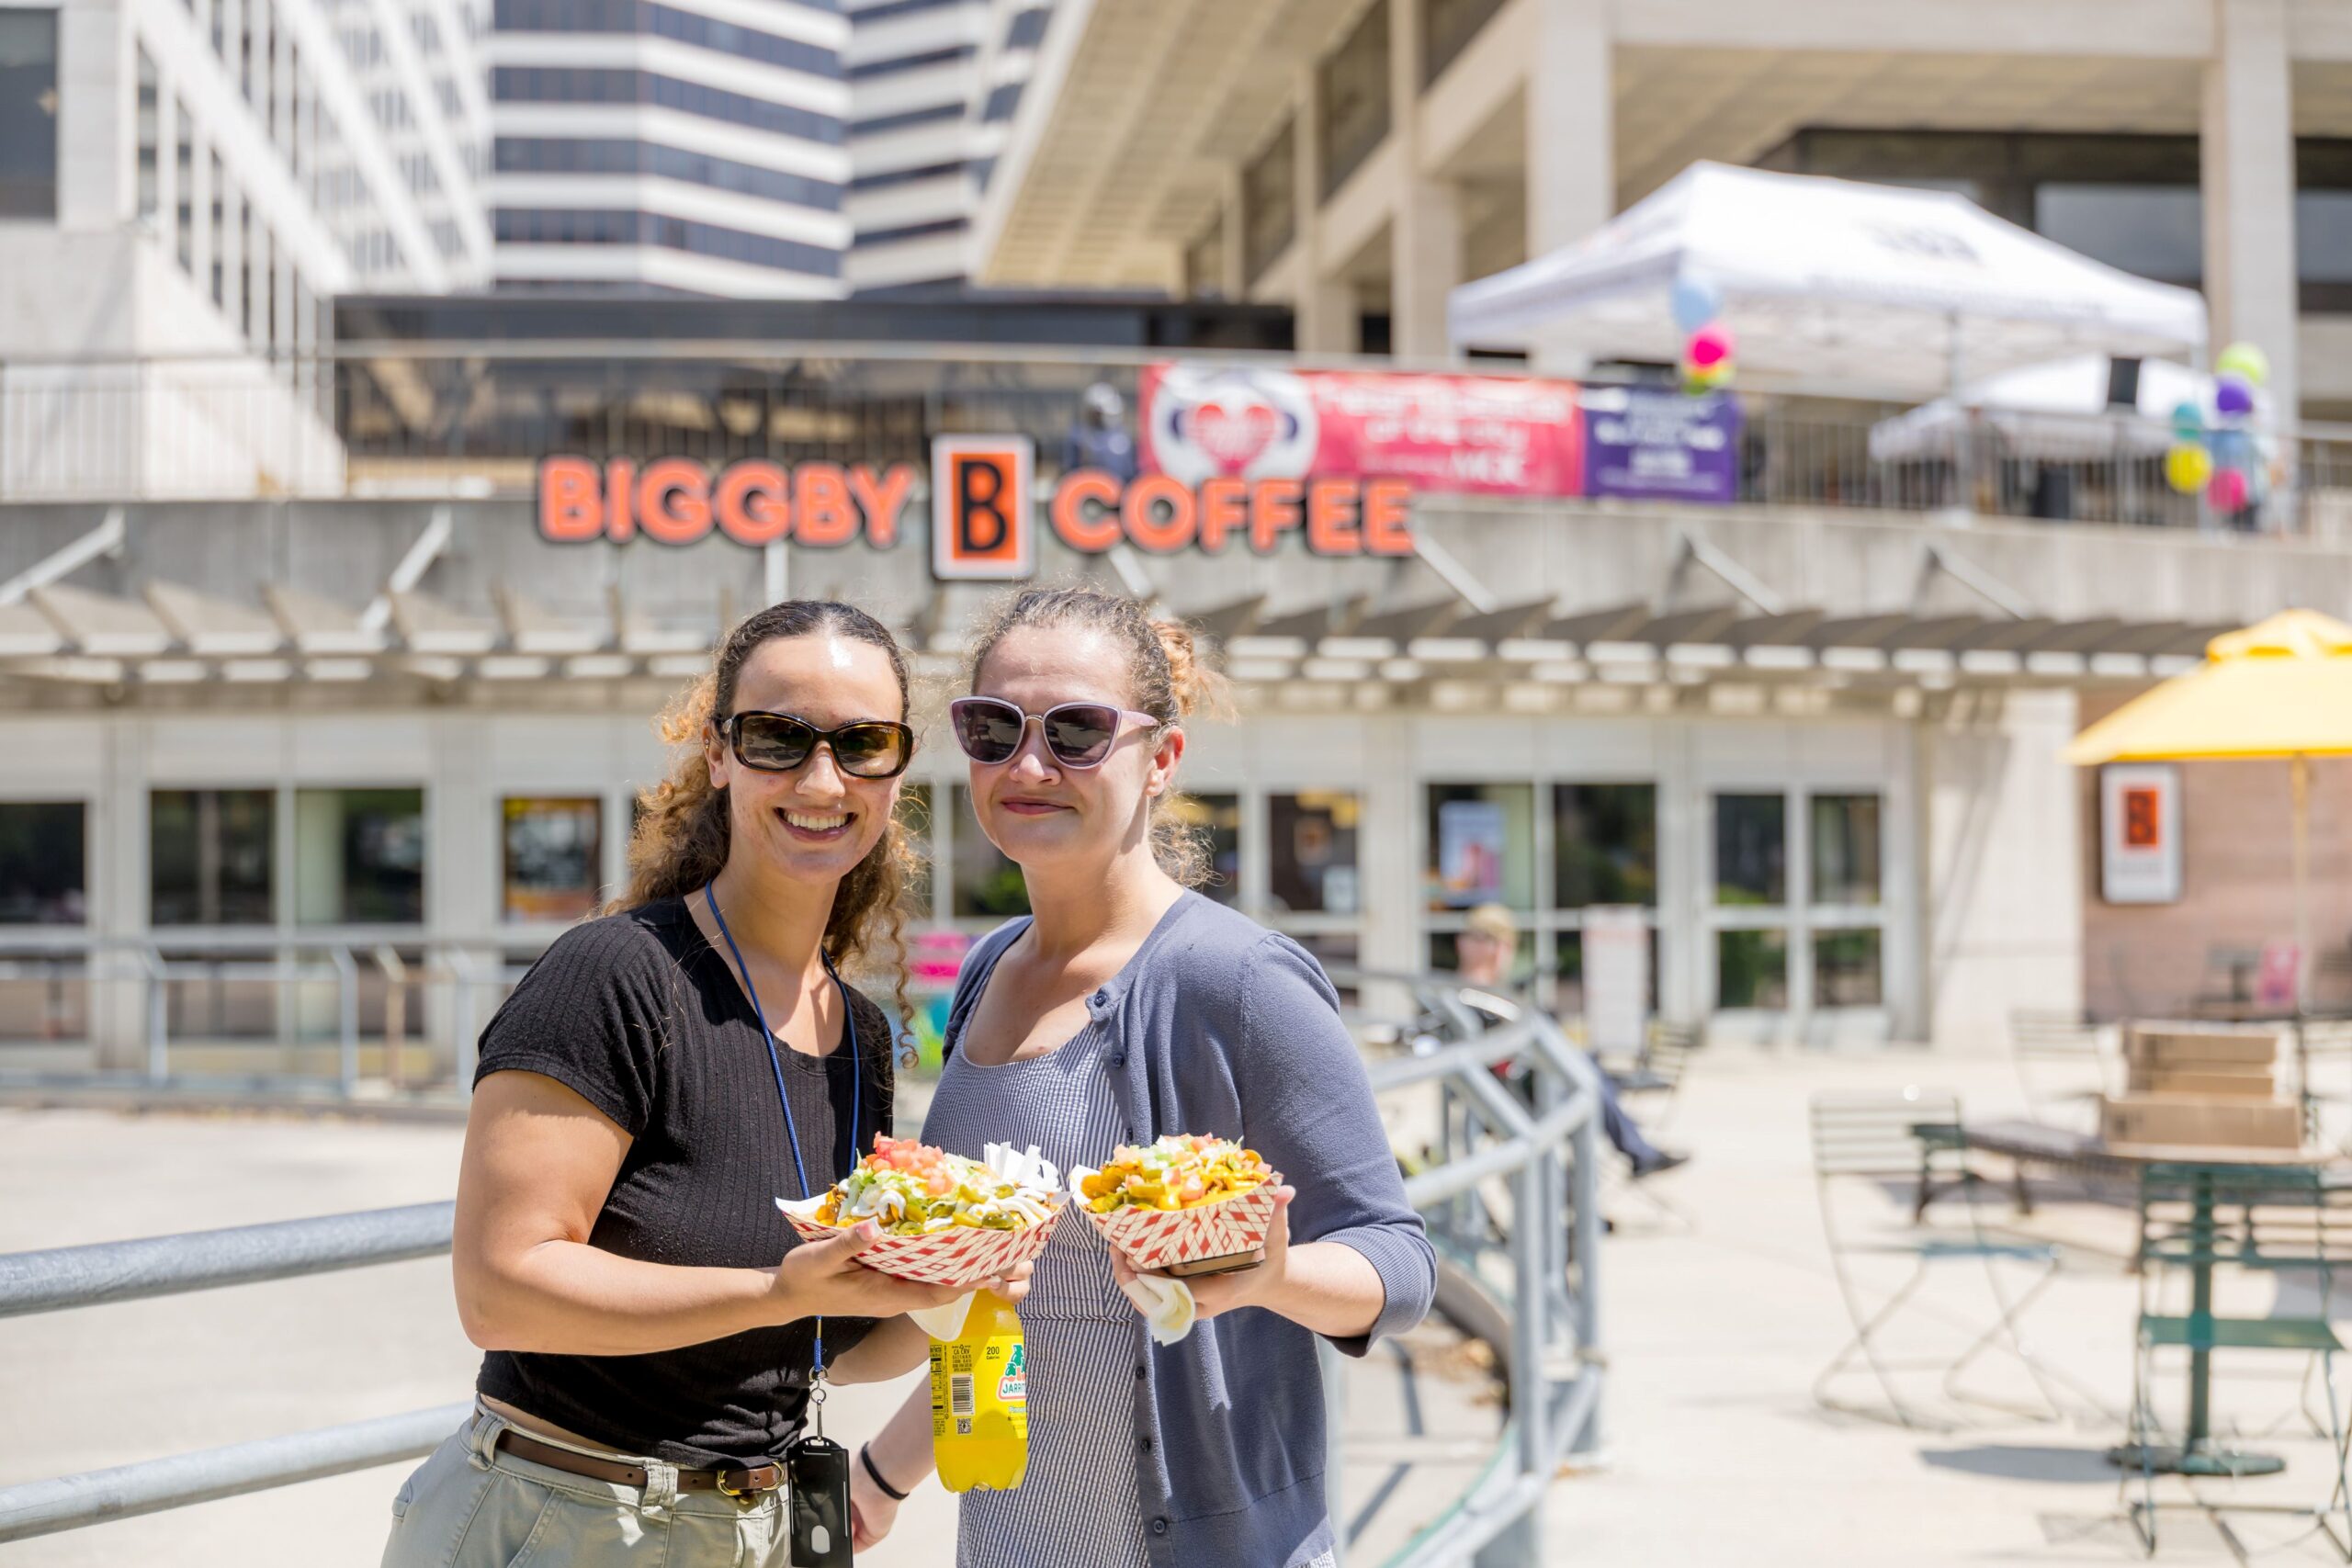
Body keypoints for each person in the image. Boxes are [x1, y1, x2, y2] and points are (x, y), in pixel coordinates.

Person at [383, 601, 1028, 1568]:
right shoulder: (615, 975)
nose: (822, 779)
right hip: (570, 1516)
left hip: (756, 1531)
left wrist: (954, 1294)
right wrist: (773, 1290)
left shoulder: (853, 1032)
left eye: (863, 744)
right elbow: (500, 1289)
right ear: (718, 753)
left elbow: (835, 1345)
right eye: (778, 737)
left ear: (897, 771)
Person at [850, 585, 1435, 1568]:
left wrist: (1273, 1276)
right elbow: (1023, 1308)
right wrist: (885, 1472)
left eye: (1076, 731)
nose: (1027, 765)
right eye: (993, 728)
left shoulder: (1235, 980)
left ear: (1160, 759)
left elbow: (1399, 1262)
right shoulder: (994, 967)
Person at [1454, 903, 1690, 1179]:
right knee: (1590, 1080)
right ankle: (1633, 1149)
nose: (1505, 952)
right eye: (1497, 943)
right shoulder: (1469, 994)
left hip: (1536, 1081)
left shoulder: (1497, 991)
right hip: (1518, 1090)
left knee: (1590, 1069)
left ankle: (1627, 1150)